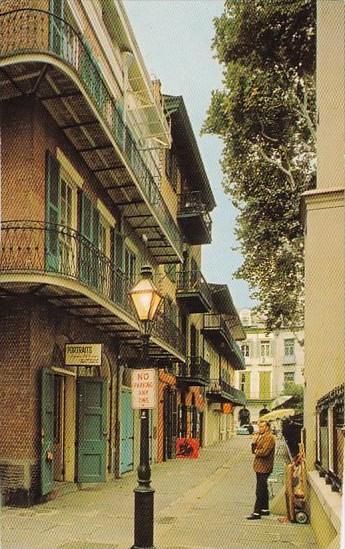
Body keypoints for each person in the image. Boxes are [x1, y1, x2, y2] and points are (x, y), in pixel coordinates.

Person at [246, 420, 276, 520]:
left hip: (265, 467)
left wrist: (256, 451)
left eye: (263, 426)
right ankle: (265, 509)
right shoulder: (262, 436)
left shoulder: (270, 437)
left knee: (259, 490)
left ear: (267, 427)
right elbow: (254, 451)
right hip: (259, 467)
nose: (261, 428)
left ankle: (256, 512)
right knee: (263, 488)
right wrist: (254, 443)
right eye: (260, 427)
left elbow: (264, 452)